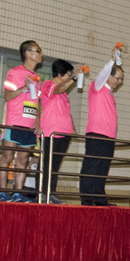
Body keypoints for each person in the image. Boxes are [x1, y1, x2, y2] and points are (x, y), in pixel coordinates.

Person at [0, 40, 42, 203]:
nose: (41, 53)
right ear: (28, 53)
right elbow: (7, 96)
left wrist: (37, 120)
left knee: (22, 160)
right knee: (7, 156)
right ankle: (2, 193)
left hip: (29, 125)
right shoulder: (14, 72)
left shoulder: (37, 79)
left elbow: (36, 102)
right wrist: (23, 87)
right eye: (38, 50)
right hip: (14, 121)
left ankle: (18, 194)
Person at [80, 45, 123, 206]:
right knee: (91, 167)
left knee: (103, 169)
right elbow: (102, 74)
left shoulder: (110, 94)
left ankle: (99, 199)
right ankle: (87, 199)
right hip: (96, 134)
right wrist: (112, 61)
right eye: (117, 78)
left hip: (109, 137)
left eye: (121, 80)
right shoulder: (97, 87)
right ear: (109, 76)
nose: (119, 82)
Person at [39, 59, 81, 204]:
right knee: (47, 164)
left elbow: (67, 111)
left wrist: (72, 128)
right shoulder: (48, 84)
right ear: (60, 73)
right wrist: (74, 79)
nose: (69, 77)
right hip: (50, 133)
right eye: (68, 73)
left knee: (55, 165)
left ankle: (51, 193)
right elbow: (58, 89)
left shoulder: (64, 94)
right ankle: (42, 193)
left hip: (64, 134)